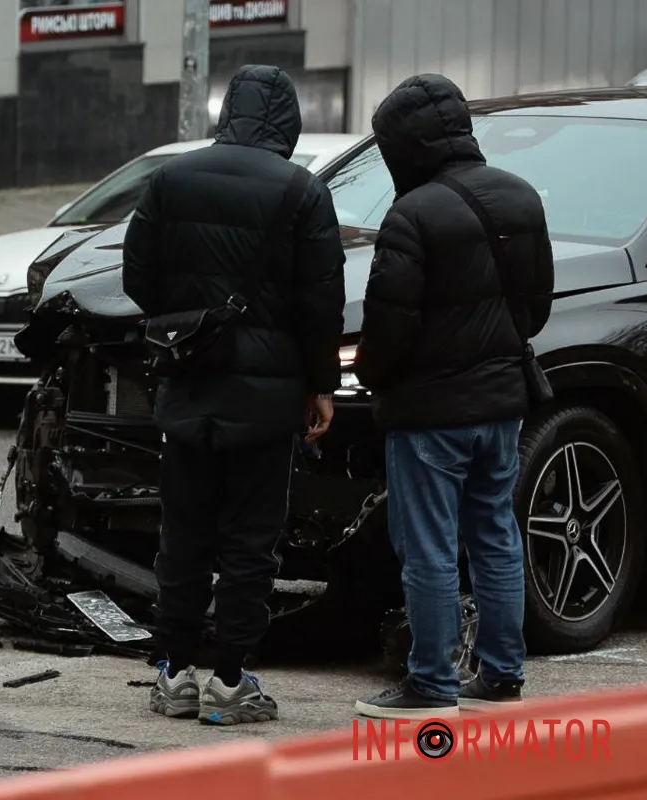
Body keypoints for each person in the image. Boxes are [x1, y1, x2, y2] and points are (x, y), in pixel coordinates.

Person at [122, 64, 346, 726]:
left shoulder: (171, 179)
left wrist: (185, 321)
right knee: (251, 540)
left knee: (183, 533)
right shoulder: (303, 191)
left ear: (229, 115)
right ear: (289, 121)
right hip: (268, 399)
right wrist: (321, 386)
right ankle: (228, 680)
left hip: (189, 384)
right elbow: (320, 304)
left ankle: (172, 672)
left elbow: (137, 275)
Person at [351, 74, 554, 719]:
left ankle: (431, 682)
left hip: (430, 414)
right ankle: (502, 676)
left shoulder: (411, 215)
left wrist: (375, 381)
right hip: (501, 405)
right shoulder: (521, 197)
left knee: (430, 547)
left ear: (402, 147)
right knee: (495, 534)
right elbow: (537, 307)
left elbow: (387, 326)